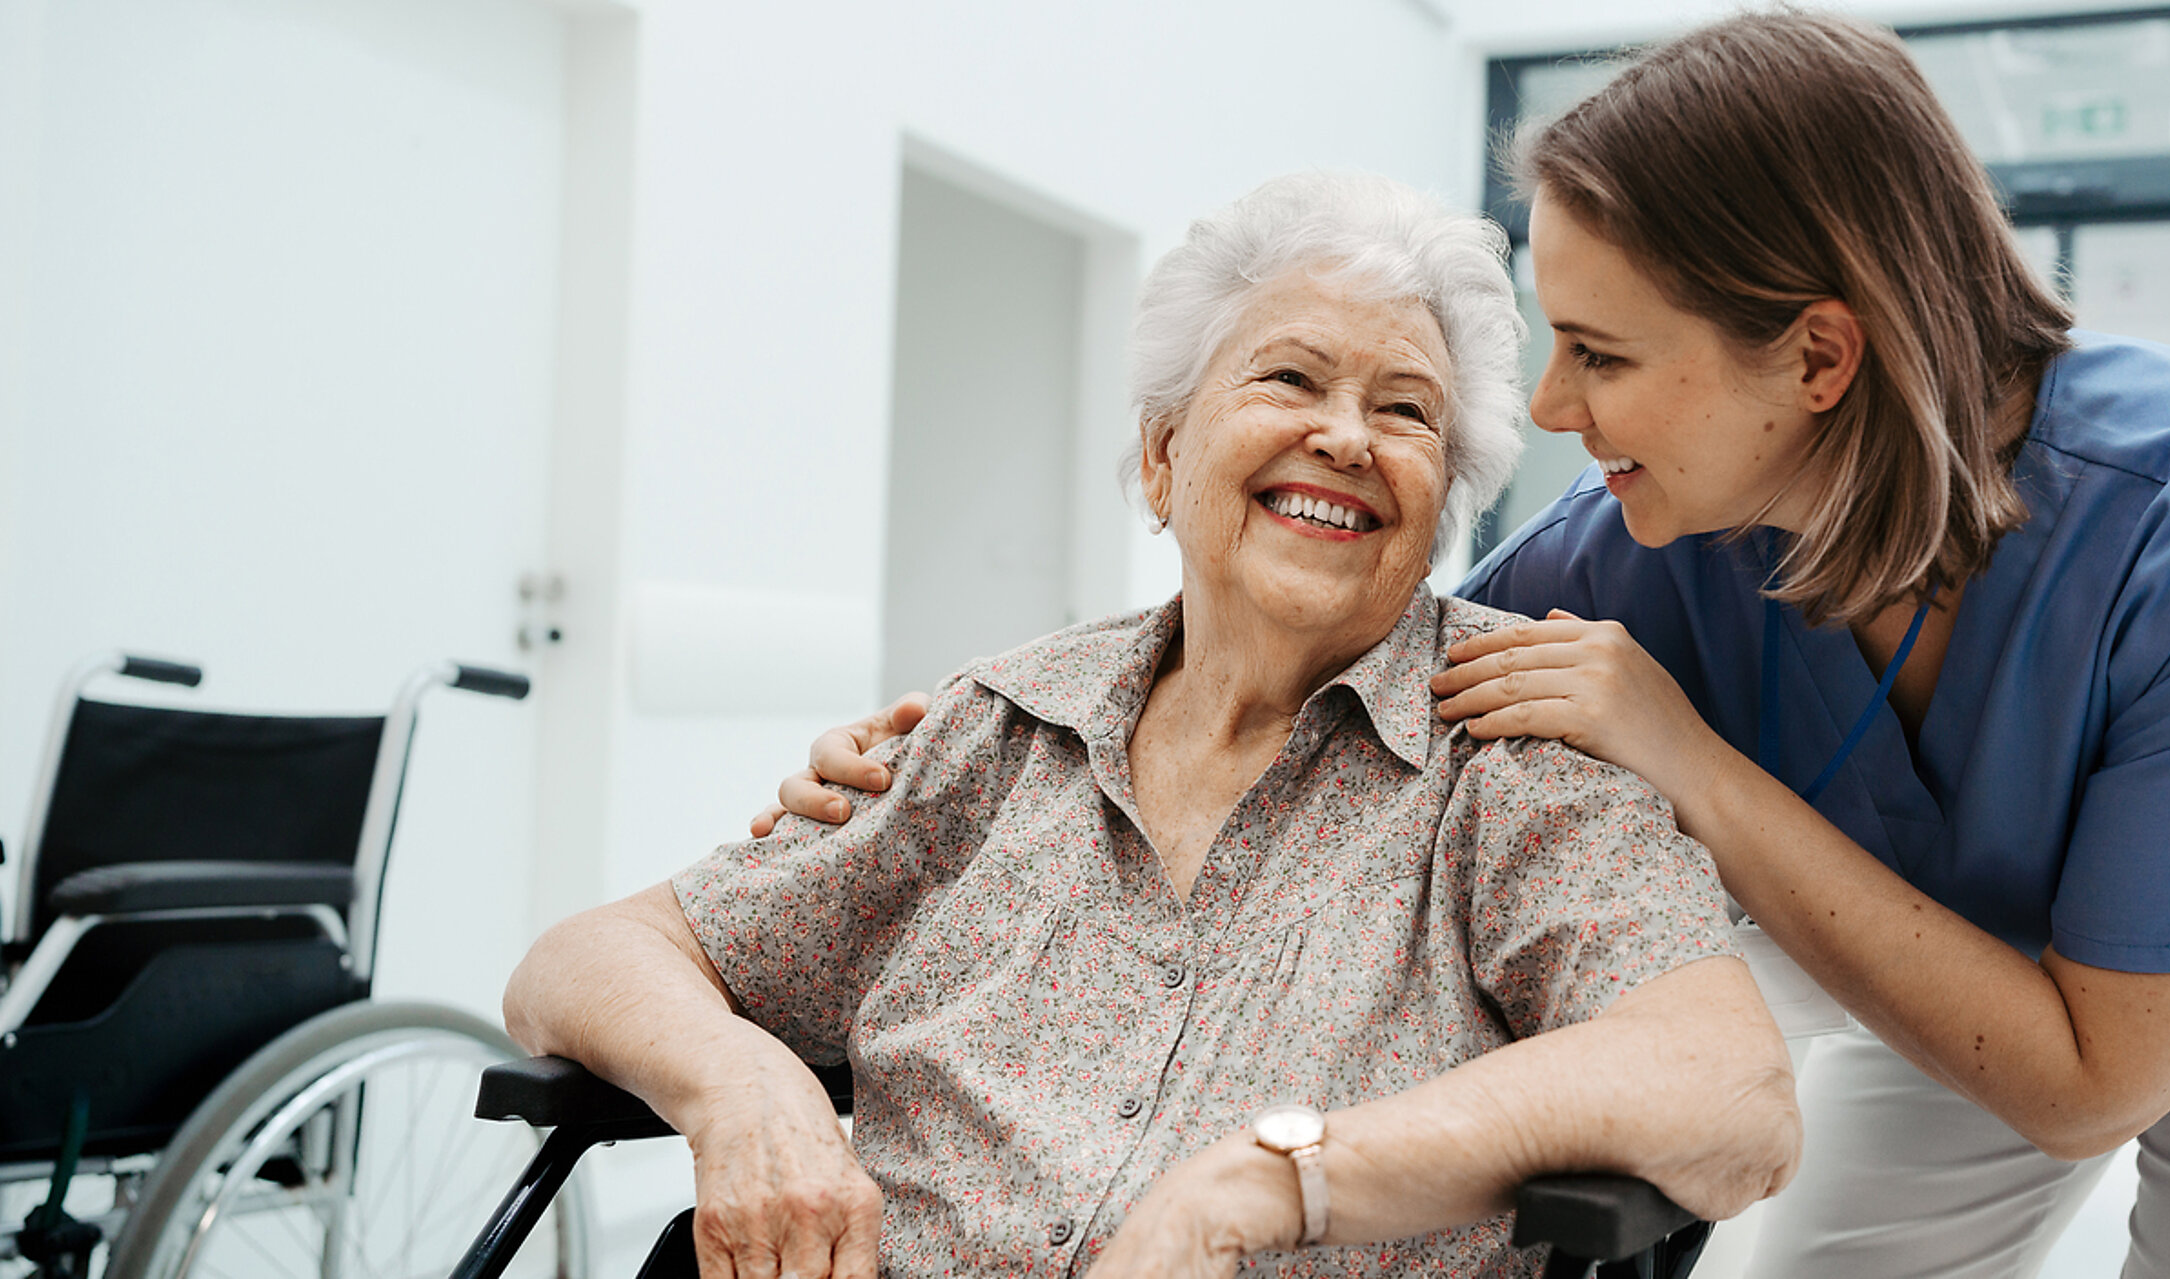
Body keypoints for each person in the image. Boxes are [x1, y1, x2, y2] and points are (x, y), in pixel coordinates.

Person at [766, 14, 2170, 1279]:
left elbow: (2089, 1085)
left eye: (1598, 350)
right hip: (1978, 959)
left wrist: (1690, 760)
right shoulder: (1638, 533)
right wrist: (973, 759)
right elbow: (1352, 682)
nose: (1554, 407)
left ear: (1819, 358)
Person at [511, 171, 1800, 1279]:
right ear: (1161, 457)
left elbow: (1727, 1088)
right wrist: (741, 1087)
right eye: (1289, 378)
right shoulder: (1001, 729)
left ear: (1445, 499)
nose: (1345, 437)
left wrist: (1266, 1181)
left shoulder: (1510, 752)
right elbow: (581, 963)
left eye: (1405, 410)